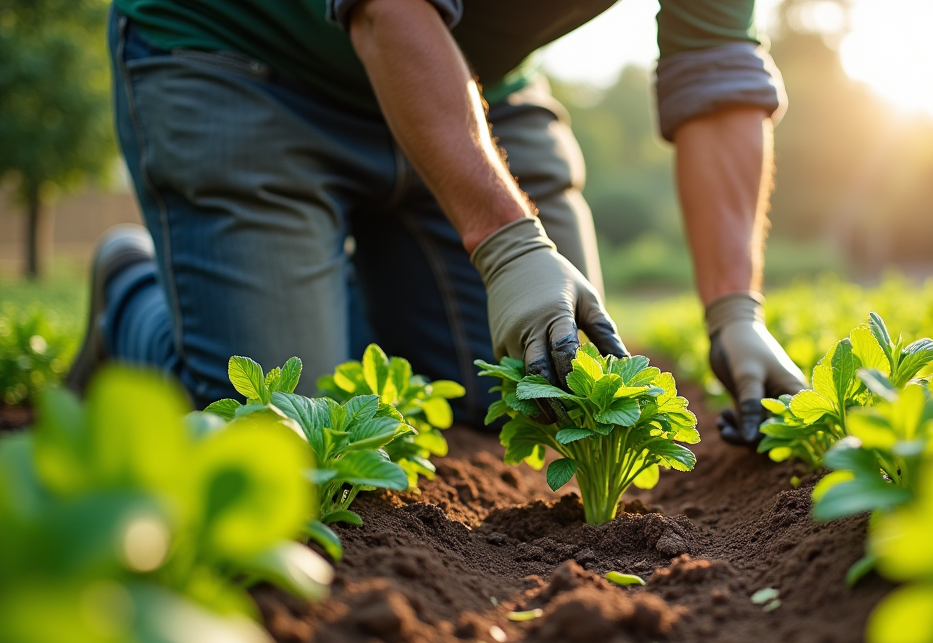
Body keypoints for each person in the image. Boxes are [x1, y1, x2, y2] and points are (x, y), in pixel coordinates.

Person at [67, 0, 806, 444]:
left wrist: (734, 310)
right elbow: (385, 8)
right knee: (288, 432)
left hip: (467, 83)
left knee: (540, 388)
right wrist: (511, 245)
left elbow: (714, 72)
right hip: (244, 54)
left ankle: (321, 293)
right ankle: (131, 296)